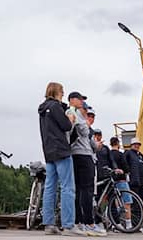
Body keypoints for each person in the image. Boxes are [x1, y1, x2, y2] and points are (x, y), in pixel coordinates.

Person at [38, 82, 85, 236]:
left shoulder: (43, 109)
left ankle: (49, 224)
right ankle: (68, 225)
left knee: (50, 187)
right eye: (62, 92)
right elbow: (65, 126)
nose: (63, 94)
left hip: (48, 151)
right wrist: (71, 117)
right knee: (68, 187)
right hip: (61, 150)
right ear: (57, 92)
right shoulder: (56, 107)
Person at [68, 94, 103, 236]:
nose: (89, 116)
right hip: (84, 156)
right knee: (86, 190)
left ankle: (79, 222)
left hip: (75, 155)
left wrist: (97, 145)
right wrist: (86, 124)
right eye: (87, 112)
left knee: (78, 190)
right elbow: (82, 132)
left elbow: (92, 144)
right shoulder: (75, 115)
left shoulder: (74, 116)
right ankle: (89, 223)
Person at [126, 138, 143, 224]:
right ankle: (134, 223)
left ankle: (141, 223)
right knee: (133, 204)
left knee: (141, 204)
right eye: (135, 144)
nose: (137, 146)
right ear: (131, 145)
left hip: (141, 184)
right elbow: (124, 164)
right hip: (132, 183)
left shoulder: (141, 156)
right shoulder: (128, 153)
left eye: (138, 144)